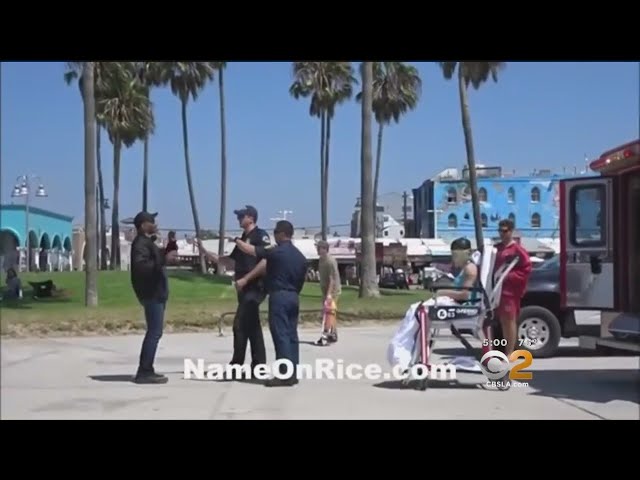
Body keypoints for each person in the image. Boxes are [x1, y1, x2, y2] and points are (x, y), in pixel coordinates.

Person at [196, 205, 270, 377]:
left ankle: (237, 366)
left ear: (251, 218)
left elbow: (265, 260)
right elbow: (229, 262)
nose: (238, 219)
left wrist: (246, 279)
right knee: (251, 326)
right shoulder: (243, 238)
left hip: (255, 287)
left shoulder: (260, 235)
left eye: (241, 216)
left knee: (239, 325)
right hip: (243, 288)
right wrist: (205, 252)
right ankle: (258, 366)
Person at [387, 237, 478, 372]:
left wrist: (442, 292)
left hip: (462, 307)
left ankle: (406, 356)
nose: (454, 258)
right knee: (417, 313)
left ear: (466, 253)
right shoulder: (466, 268)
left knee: (419, 313)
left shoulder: (470, 269)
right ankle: (409, 357)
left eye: (455, 255)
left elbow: (465, 295)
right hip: (456, 304)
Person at [234, 220, 307, 387]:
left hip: (279, 296)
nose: (274, 235)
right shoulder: (300, 256)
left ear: (281, 234)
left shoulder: (275, 252)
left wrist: (237, 241)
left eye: (275, 232)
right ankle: (293, 373)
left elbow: (253, 251)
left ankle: (284, 375)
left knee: (281, 335)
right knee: (292, 335)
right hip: (294, 296)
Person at [130, 211, 179, 384]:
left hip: (156, 293)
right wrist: (164, 259)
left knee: (155, 332)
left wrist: (165, 254)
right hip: (152, 293)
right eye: (151, 221)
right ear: (143, 225)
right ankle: (144, 371)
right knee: (154, 332)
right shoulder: (140, 244)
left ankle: (147, 369)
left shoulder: (147, 242)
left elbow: (156, 259)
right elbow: (141, 267)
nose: (155, 224)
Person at [493, 219, 532, 359]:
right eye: (500, 231)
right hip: (496, 291)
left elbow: (526, 268)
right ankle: (503, 349)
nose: (502, 234)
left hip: (509, 292)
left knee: (509, 321)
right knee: (502, 321)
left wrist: (509, 276)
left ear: (511, 231)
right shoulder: (496, 249)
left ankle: (510, 352)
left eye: (505, 231)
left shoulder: (517, 250)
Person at [315, 240, 341, 346]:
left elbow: (332, 279)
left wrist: (329, 295)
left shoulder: (330, 261)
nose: (317, 250)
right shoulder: (321, 260)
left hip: (333, 291)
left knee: (328, 314)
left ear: (325, 249)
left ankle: (326, 336)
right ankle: (333, 334)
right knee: (329, 314)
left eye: (319, 248)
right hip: (325, 290)